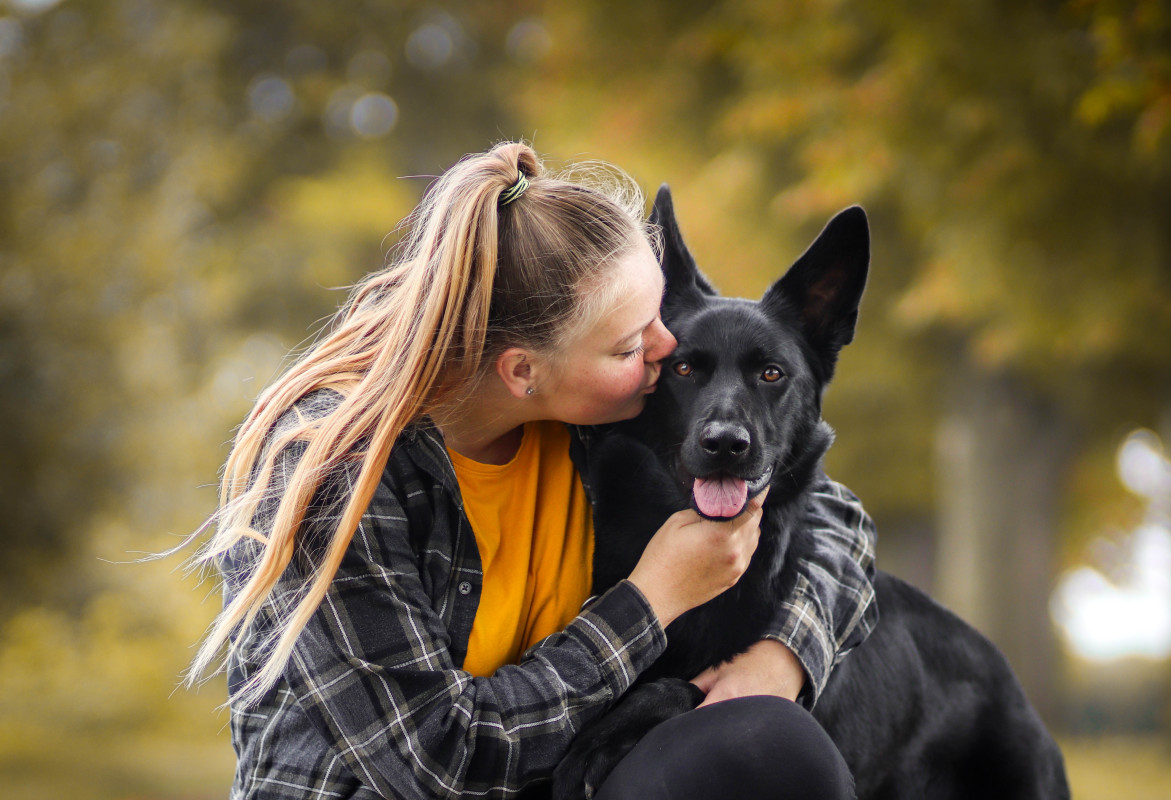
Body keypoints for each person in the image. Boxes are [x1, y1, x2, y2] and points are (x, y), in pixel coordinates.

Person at [187, 142, 878, 799]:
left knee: (772, 741)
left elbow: (826, 509)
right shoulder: (334, 475)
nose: (668, 349)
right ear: (523, 370)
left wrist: (783, 657)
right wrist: (651, 599)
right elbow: (441, 763)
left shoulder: (591, 414)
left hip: (556, 780)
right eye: (632, 341)